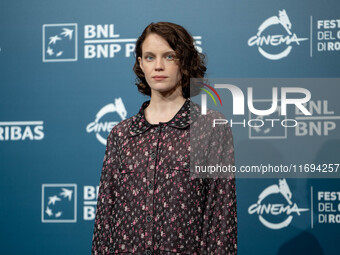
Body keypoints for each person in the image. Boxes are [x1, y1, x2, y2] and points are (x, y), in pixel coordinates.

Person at [92, 22, 237, 255]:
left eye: (169, 57)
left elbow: (220, 220)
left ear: (185, 61)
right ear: (140, 63)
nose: (158, 66)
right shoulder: (121, 135)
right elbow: (104, 220)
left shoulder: (210, 128)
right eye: (150, 57)